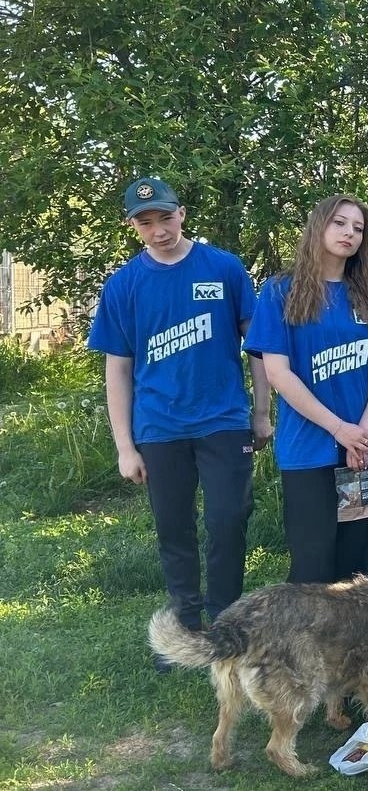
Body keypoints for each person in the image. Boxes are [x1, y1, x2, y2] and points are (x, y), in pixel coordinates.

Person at [89, 177, 272, 671]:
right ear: (133, 226)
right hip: (159, 427)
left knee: (228, 519)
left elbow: (256, 348)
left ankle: (228, 623)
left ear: (182, 214)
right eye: (145, 222)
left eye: (165, 217)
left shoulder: (224, 268)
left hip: (223, 420)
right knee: (174, 527)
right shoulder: (125, 284)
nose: (158, 229)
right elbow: (118, 370)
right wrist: (125, 446)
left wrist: (261, 411)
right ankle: (187, 625)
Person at [245, 193, 368, 584]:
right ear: (319, 226)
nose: (349, 233)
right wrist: (339, 430)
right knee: (313, 565)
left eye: (358, 228)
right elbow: (278, 373)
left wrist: (361, 434)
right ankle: (306, 647)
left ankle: (358, 646)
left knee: (360, 565)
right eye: (340, 223)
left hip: (364, 450)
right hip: (308, 451)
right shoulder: (282, 291)